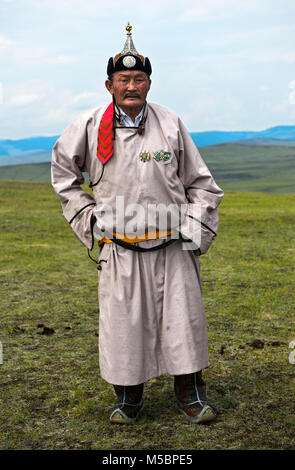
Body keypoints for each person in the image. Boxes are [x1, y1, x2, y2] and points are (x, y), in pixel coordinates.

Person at [51, 23, 224, 425]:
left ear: (149, 83)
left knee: (183, 322)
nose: (132, 85)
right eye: (123, 79)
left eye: (139, 78)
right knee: (124, 326)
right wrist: (88, 219)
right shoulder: (90, 126)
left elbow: (201, 183)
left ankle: (191, 395)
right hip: (121, 246)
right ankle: (128, 400)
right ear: (109, 84)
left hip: (172, 245)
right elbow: (63, 173)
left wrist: (194, 229)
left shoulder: (170, 123)